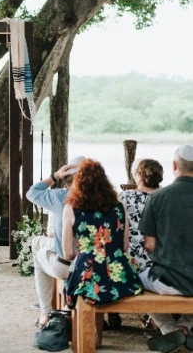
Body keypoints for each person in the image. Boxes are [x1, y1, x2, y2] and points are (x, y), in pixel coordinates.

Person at [62, 158, 142, 345]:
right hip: (118, 272)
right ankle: (97, 336)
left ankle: (89, 336)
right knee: (102, 276)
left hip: (86, 270)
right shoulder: (118, 207)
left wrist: (85, 253)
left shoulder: (72, 208)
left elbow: (67, 253)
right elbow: (124, 246)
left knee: (89, 281)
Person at [138, 145, 193, 353]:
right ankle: (186, 326)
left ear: (174, 166)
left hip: (167, 281)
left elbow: (149, 244)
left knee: (136, 281)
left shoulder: (157, 197)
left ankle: (169, 329)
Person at [26, 156, 87, 328]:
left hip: (69, 265)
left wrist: (55, 176)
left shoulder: (61, 196)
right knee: (39, 242)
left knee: (38, 256)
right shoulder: (105, 199)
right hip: (96, 264)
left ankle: (45, 312)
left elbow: (32, 193)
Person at [119, 158, 163, 273]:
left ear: (139, 175)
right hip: (157, 264)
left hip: (129, 262)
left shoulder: (124, 197)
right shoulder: (165, 198)